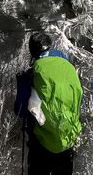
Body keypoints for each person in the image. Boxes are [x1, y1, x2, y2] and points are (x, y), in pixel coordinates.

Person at [14, 32, 83, 175]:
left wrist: (22, 83)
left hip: (41, 143)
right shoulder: (70, 67)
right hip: (68, 137)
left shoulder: (33, 71)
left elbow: (20, 110)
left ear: (32, 51)